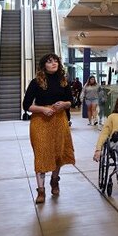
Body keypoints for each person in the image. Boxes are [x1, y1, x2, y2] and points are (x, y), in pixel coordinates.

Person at [22, 53, 75, 204]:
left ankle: (54, 180)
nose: (54, 63)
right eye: (49, 61)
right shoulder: (36, 82)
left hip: (59, 120)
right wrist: (42, 109)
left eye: (56, 61)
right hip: (40, 122)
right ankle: (41, 191)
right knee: (42, 154)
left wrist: (64, 104)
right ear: (43, 65)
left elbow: (71, 101)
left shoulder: (63, 81)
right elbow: (26, 105)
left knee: (58, 153)